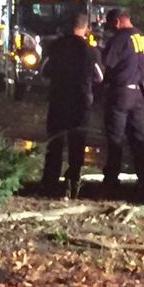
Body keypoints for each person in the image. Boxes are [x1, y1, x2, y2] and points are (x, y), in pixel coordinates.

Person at [41, 12, 103, 197]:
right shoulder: (91, 51)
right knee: (77, 142)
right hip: (80, 101)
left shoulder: (55, 46)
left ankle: (49, 182)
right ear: (85, 28)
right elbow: (99, 77)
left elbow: (44, 71)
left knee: (55, 142)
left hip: (58, 98)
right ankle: (73, 181)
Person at [101, 9, 144, 194]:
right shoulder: (143, 38)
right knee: (138, 138)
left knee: (115, 137)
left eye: (110, 26)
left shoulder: (120, 38)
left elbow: (106, 65)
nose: (111, 30)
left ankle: (111, 181)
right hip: (139, 94)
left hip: (120, 94)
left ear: (117, 22)